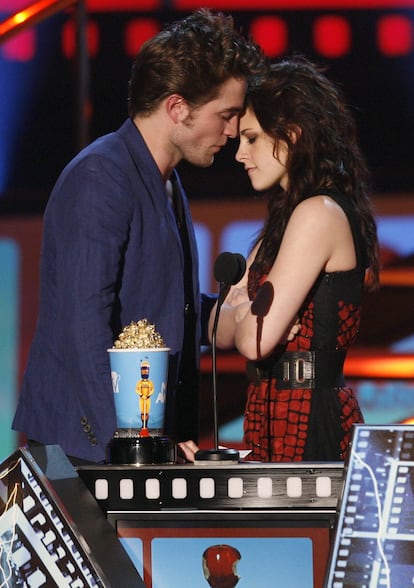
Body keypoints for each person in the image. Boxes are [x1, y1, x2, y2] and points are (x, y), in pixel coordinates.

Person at [12, 9, 266, 464]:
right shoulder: (102, 177)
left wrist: (229, 315)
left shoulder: (164, 181)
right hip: (85, 448)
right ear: (177, 108)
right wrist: (131, 440)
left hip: (137, 445)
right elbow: (83, 323)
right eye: (225, 115)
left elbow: (156, 304)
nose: (231, 132)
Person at [211, 56, 380, 463]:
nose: (239, 154)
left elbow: (253, 339)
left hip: (310, 418)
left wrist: (240, 312)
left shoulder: (318, 214)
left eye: (250, 138)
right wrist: (242, 315)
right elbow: (219, 331)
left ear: (291, 134)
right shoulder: (282, 221)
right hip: (268, 409)